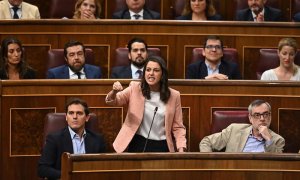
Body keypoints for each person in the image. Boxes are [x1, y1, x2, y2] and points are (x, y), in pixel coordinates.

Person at [106, 56, 187, 153]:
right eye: (148, 70)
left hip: (162, 145)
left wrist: (181, 149)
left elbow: (178, 127)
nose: (151, 73)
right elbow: (114, 101)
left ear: (162, 74)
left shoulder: (174, 95)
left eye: (156, 70)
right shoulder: (135, 88)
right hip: (138, 142)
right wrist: (114, 92)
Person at [38, 98, 106, 180]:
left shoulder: (98, 140)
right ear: (66, 117)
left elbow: (104, 167)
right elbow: (42, 169)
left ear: (87, 117)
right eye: (71, 113)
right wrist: (69, 176)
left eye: (79, 113)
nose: (74, 117)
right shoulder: (54, 139)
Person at [199, 99, 285, 153]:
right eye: (257, 115)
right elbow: (206, 142)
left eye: (265, 114)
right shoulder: (234, 130)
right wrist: (210, 164)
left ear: (270, 117)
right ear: (250, 118)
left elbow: (276, 164)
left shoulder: (278, 140)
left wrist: (269, 140)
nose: (262, 119)